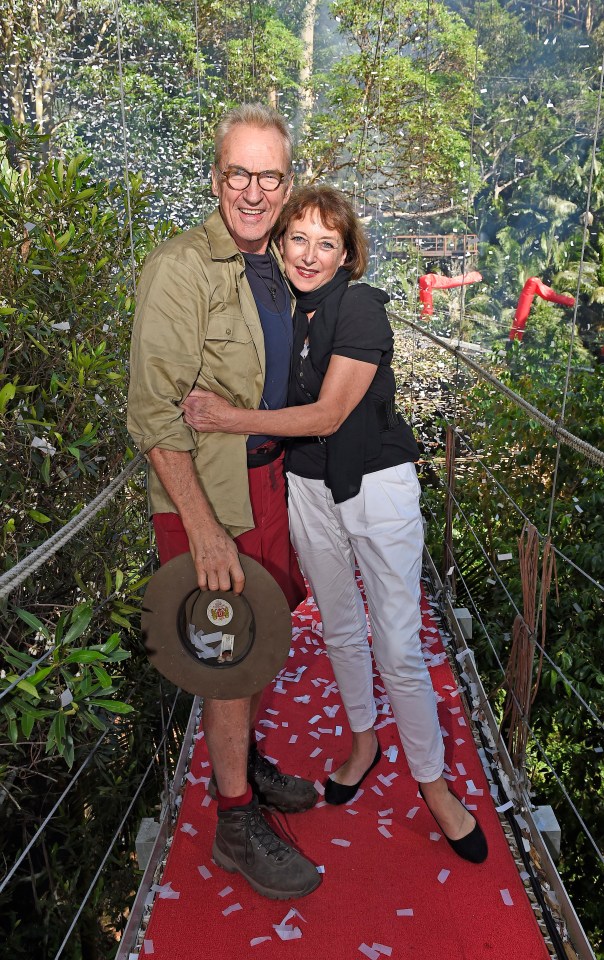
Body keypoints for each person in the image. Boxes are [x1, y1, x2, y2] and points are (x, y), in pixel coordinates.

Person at [181, 185, 488, 864]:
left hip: (377, 489)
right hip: (308, 489)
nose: (310, 255)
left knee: (400, 646)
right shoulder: (282, 314)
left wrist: (226, 419)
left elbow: (324, 417)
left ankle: (434, 786)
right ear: (281, 244)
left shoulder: (361, 309)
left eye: (327, 243)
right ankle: (362, 742)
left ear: (349, 254)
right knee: (342, 625)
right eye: (298, 239)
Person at [127, 104, 322, 902]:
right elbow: (151, 409)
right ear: (216, 179)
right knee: (228, 656)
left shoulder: (277, 263)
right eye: (237, 173)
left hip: (266, 482)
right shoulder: (181, 267)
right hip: (208, 496)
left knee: (258, 635)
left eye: (268, 175)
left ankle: (243, 760)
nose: (252, 190)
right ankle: (234, 823)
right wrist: (202, 528)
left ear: (285, 182)